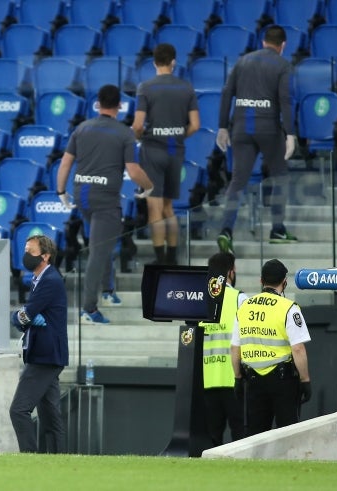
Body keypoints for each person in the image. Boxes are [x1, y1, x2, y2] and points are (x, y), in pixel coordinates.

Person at [56, 84, 148, 324]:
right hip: (105, 199)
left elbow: (65, 163)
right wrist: (149, 186)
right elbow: (134, 170)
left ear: (98, 103)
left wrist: (60, 191)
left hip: (82, 195)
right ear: (119, 105)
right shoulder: (124, 133)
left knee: (101, 242)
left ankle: (108, 290)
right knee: (98, 251)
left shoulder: (82, 128)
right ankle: (89, 308)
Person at [216, 25, 298, 256]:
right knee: (280, 175)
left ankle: (226, 231)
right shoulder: (283, 65)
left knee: (237, 181)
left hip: (241, 127)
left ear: (263, 42)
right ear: (283, 45)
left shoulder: (243, 61)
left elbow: (226, 93)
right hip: (269, 129)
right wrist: (290, 133)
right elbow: (286, 100)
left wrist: (222, 126)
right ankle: (277, 229)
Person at [131, 43, 200, 266]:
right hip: (174, 149)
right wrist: (177, 136)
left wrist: (141, 137)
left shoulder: (146, 87)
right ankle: (173, 256)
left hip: (152, 149)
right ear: (173, 62)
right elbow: (196, 125)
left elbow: (138, 125)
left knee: (155, 207)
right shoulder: (186, 87)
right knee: (169, 207)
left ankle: (160, 259)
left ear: (154, 62)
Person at [231, 259, 311, 437]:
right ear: (285, 282)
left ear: (261, 281)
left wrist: (237, 377)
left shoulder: (244, 307)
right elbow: (298, 349)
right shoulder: (289, 308)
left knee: (256, 436)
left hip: (253, 379)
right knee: (287, 434)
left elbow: (234, 348)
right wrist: (305, 380)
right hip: (283, 381)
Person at [8, 235, 69, 453]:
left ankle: (30, 456)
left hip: (45, 355)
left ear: (45, 256)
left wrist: (17, 317)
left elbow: (26, 314)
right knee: (50, 415)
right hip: (46, 354)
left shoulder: (50, 280)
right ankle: (56, 460)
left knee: (19, 410)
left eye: (30, 251)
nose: (26, 256)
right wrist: (23, 317)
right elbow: (27, 315)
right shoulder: (41, 279)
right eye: (25, 250)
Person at [199, 252, 247, 447]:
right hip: (234, 378)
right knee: (240, 435)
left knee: (211, 438)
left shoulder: (200, 299)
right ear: (230, 272)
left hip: (207, 379)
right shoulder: (239, 298)